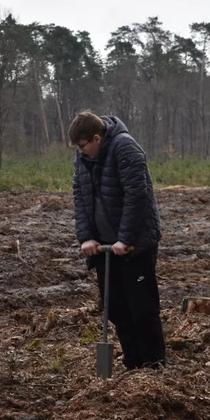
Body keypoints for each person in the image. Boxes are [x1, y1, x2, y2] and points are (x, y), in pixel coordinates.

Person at [70, 110, 166, 370]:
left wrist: (125, 239)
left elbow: (138, 196)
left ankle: (154, 364)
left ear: (97, 138)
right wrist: (87, 236)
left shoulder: (126, 147)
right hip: (104, 247)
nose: (81, 152)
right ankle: (133, 363)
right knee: (116, 308)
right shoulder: (83, 158)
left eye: (83, 146)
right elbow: (80, 197)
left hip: (135, 245)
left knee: (142, 308)